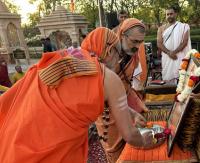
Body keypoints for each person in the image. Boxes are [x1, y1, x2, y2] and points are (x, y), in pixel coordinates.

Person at [0, 27, 154, 163]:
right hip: (56, 154)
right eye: (117, 54)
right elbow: (130, 135)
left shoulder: (62, 58)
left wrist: (131, 113)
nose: (118, 60)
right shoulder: (107, 77)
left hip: (16, 144)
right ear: (110, 50)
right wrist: (145, 140)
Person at [82, 19, 148, 163]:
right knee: (114, 150)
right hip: (107, 113)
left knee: (129, 146)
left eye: (140, 42)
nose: (138, 47)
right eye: (134, 41)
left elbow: (127, 85)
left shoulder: (132, 56)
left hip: (123, 105)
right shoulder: (104, 57)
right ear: (122, 35)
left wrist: (133, 110)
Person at [157, 5, 191, 81]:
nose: (169, 16)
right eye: (167, 14)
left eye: (171, 14)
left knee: (181, 78)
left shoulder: (184, 26)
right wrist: (169, 53)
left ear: (175, 14)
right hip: (167, 57)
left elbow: (184, 42)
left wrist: (174, 52)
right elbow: (159, 43)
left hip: (179, 56)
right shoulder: (161, 28)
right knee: (167, 79)